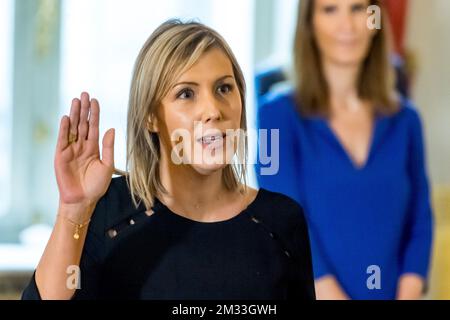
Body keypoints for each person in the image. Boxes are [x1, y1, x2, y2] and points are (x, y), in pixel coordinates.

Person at [21, 20, 315, 300]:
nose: (213, 110)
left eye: (224, 88)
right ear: (150, 116)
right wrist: (74, 209)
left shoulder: (282, 220)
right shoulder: (105, 213)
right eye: (186, 94)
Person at [255, 0, 433, 299]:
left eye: (358, 8)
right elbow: (284, 223)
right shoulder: (274, 116)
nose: (347, 25)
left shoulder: (407, 120)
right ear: (309, 24)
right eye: (329, 9)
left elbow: (420, 221)